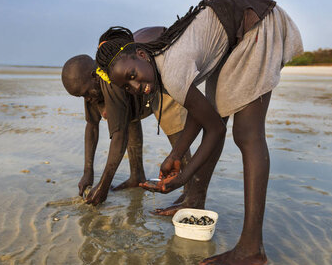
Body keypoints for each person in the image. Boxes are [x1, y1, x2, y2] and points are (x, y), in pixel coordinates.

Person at [95, 0, 303, 265]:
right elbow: (201, 113)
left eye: (132, 76)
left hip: (258, 24)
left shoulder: (171, 71)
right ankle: (195, 200)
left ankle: (252, 248)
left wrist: (184, 177)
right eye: (128, 86)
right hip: (235, 38)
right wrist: (177, 153)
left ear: (141, 54)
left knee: (246, 134)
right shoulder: (157, 63)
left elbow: (214, 129)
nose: (136, 87)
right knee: (218, 109)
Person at [62, 27, 218, 208]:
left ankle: (191, 193)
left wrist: (103, 186)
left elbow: (119, 137)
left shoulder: (109, 82)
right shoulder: (91, 90)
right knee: (127, 118)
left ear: (95, 76)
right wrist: (88, 171)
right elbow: (92, 126)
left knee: (172, 126)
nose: (87, 99)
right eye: (81, 97)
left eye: (85, 93)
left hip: (158, 74)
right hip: (137, 92)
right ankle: (137, 175)